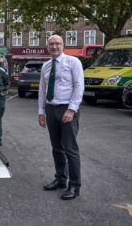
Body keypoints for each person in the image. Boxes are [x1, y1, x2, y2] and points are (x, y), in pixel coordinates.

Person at [38, 35, 84, 200]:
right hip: (51, 110)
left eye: (57, 43)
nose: (54, 46)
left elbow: (79, 85)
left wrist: (72, 109)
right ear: (47, 47)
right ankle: (61, 179)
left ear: (63, 45)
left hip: (67, 109)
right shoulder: (46, 66)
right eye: (51, 44)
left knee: (70, 149)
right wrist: (41, 111)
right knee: (56, 147)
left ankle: (74, 186)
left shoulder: (73, 62)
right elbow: (43, 90)